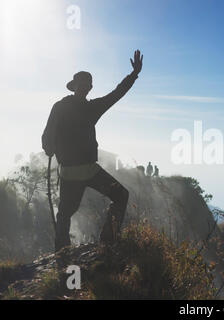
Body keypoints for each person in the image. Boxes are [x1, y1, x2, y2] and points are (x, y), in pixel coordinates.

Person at [42, 50, 144, 251]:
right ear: (85, 88)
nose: (84, 88)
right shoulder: (92, 108)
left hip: (70, 172)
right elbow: (116, 94)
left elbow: (47, 137)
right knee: (121, 196)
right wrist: (133, 75)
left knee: (65, 213)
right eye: (84, 85)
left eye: (84, 85)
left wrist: (49, 148)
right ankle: (107, 242)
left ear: (78, 87)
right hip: (88, 170)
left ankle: (62, 252)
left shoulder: (60, 106)